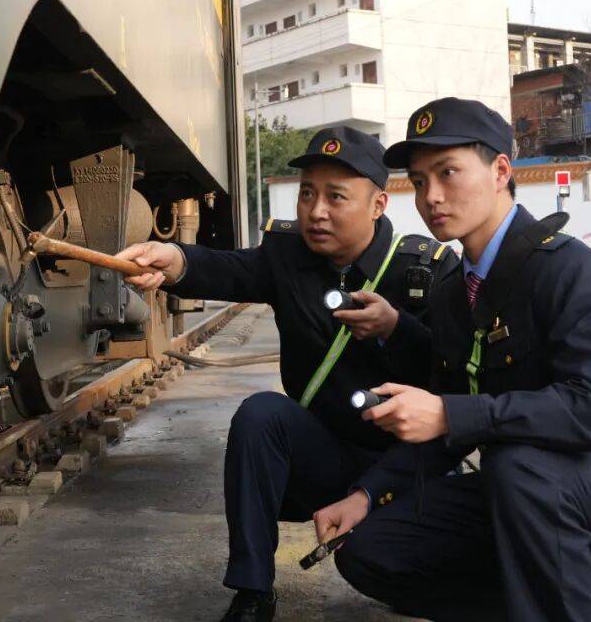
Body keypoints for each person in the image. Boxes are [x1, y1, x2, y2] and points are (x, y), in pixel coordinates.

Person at [313, 99, 591, 622]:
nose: (431, 196)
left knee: (515, 462)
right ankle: (570, 598)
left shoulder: (566, 270)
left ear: (500, 171)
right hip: (533, 488)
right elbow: (445, 431)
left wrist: (452, 414)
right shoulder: (454, 293)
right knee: (372, 549)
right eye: (419, 181)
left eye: (448, 173)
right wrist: (365, 494)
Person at [117, 126, 459, 622]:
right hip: (325, 458)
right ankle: (253, 592)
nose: (316, 211)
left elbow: (453, 381)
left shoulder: (423, 271)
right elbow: (228, 269)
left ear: (378, 204)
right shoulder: (288, 256)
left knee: (400, 568)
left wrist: (395, 327)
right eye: (307, 194)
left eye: (336, 197)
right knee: (261, 415)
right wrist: (174, 259)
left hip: (405, 467)